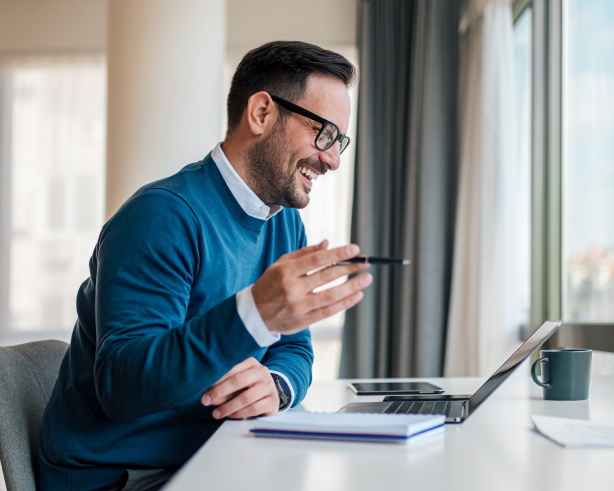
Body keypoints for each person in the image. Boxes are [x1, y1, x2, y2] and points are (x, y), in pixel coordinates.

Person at [37, 40, 372, 491]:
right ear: (261, 113)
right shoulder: (160, 216)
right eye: (324, 133)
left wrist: (276, 385)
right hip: (119, 476)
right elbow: (122, 387)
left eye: (339, 142)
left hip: (214, 454)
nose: (332, 159)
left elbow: (295, 349)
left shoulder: (284, 223)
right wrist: (253, 314)